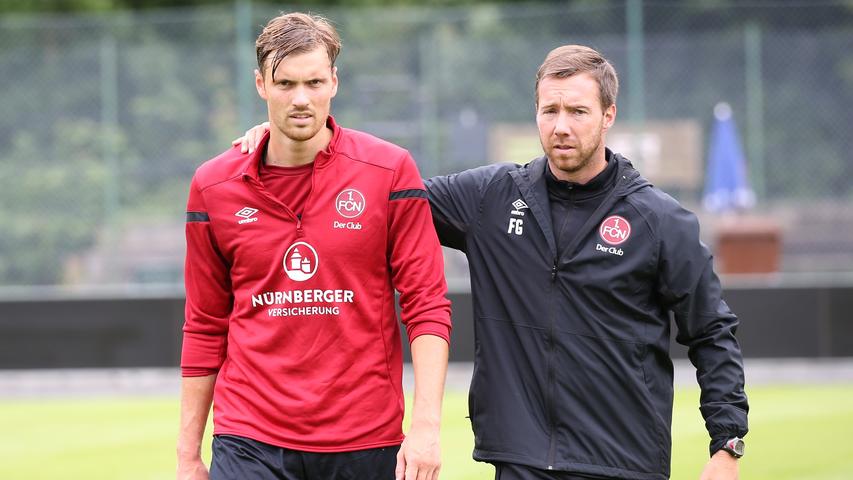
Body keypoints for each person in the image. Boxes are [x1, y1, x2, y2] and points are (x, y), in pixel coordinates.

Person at [236, 45, 748, 480]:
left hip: (622, 459)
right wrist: (296, 138)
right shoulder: (493, 198)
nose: (561, 127)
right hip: (518, 458)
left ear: (609, 115)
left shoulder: (659, 220)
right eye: (550, 111)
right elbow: (384, 189)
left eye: (578, 112)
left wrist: (727, 444)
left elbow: (712, 331)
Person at [178, 12, 452, 480]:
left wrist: (425, 425)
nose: (301, 99)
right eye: (285, 84)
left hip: (366, 437)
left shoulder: (388, 171)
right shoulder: (213, 185)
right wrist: (187, 456)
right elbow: (204, 324)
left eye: (314, 82)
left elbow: (427, 304)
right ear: (260, 84)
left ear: (334, 82)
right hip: (249, 438)